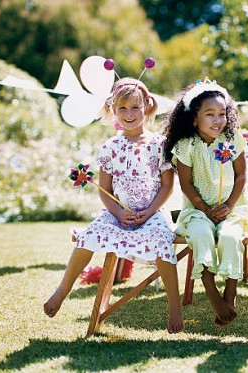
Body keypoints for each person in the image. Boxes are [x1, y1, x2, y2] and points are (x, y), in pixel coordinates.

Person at [44, 77, 184, 334]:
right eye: (122, 108)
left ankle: (174, 304)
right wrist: (118, 211)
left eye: (135, 107)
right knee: (87, 237)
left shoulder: (160, 145)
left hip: (151, 212)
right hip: (117, 213)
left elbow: (167, 186)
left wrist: (149, 212)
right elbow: (105, 191)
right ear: (113, 111)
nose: (129, 114)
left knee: (163, 241)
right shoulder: (110, 147)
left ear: (147, 108)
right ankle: (62, 290)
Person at [163, 78, 248, 326]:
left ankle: (231, 291)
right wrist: (203, 208)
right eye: (210, 114)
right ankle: (210, 288)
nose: (217, 120)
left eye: (222, 113)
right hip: (197, 210)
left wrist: (229, 205)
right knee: (201, 234)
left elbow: (241, 175)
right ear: (194, 118)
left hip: (232, 209)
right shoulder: (186, 145)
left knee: (230, 237)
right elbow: (186, 184)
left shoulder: (232, 139)